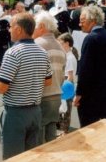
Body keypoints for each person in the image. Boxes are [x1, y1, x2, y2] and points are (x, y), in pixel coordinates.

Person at [0, 13, 52, 160]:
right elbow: (47, 81)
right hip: (35, 111)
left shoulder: (13, 53)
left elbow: (1, 87)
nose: (9, 30)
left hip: (16, 113)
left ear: (19, 29)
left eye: (11, 27)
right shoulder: (42, 52)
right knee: (31, 157)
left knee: (13, 157)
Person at [73, 5, 106, 127]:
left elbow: (85, 69)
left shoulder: (90, 38)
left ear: (92, 21)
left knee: (89, 129)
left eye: (82, 21)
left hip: (91, 96)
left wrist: (79, 93)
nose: (80, 24)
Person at [33, 10, 66, 143]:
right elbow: (62, 75)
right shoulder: (60, 46)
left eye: (35, 26)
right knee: (51, 136)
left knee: (38, 139)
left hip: (42, 96)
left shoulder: (37, 44)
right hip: (56, 95)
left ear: (41, 26)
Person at [57, 32, 78, 134]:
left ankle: (64, 133)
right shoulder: (68, 56)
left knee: (65, 113)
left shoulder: (69, 58)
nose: (59, 45)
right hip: (67, 86)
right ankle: (63, 132)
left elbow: (69, 76)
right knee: (65, 112)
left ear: (67, 43)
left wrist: (63, 93)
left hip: (66, 86)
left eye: (60, 43)